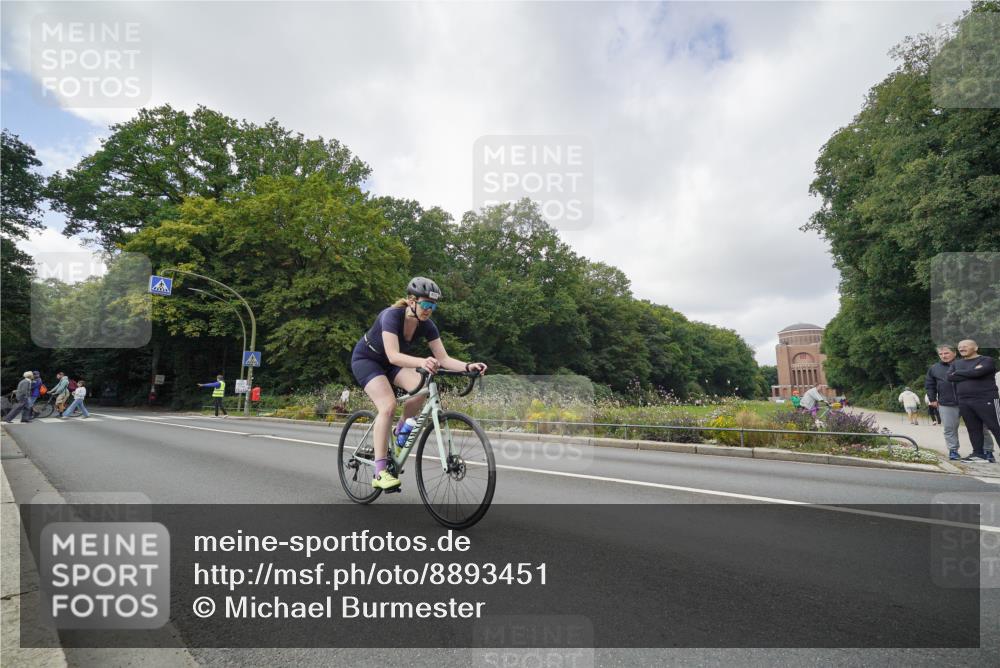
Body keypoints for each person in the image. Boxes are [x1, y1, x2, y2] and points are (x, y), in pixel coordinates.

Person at [350, 277, 487, 490]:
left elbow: (444, 359)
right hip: (368, 360)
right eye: (425, 304)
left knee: (421, 389)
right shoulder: (391, 316)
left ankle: (399, 432)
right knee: (387, 406)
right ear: (411, 301)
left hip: (390, 364)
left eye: (433, 306)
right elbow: (394, 356)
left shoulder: (427, 325)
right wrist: (422, 361)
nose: (429, 310)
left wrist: (467, 366)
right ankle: (379, 472)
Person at [948, 339, 999, 463]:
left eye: (965, 346)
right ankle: (978, 454)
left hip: (987, 399)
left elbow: (979, 372)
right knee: (973, 428)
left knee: (996, 426)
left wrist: (958, 373)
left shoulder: (986, 360)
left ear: (975, 348)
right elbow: (950, 376)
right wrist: (972, 372)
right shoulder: (956, 363)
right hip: (964, 401)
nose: (961, 348)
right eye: (959, 347)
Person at [926, 345, 963, 459]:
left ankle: (985, 451)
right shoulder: (934, 368)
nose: (943, 356)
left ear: (954, 353)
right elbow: (930, 384)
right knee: (949, 428)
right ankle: (953, 451)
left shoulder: (965, 364)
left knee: (979, 427)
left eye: (946, 353)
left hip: (968, 400)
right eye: (940, 354)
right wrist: (932, 399)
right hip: (946, 402)